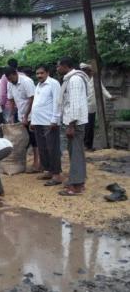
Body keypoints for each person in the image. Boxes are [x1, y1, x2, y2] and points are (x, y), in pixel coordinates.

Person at [57, 56, 89, 196]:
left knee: (76, 154)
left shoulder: (74, 80)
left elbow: (75, 104)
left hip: (75, 123)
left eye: (59, 66)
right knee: (75, 153)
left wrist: (71, 125)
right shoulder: (71, 79)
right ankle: (78, 181)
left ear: (66, 66)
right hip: (73, 122)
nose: (57, 69)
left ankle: (76, 186)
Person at [30, 65, 63, 186]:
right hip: (38, 121)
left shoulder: (53, 83)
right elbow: (36, 103)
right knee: (42, 148)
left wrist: (55, 119)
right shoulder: (38, 85)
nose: (39, 75)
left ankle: (57, 175)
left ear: (47, 73)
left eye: (41, 73)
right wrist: (33, 120)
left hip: (49, 122)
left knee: (52, 148)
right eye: (37, 73)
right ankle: (48, 171)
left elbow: (57, 102)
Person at [6, 66, 40, 172]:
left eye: (11, 78)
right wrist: (11, 116)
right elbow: (11, 100)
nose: (10, 80)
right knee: (25, 140)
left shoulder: (27, 81)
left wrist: (26, 116)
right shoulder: (10, 83)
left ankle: (37, 163)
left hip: (32, 115)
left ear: (15, 73)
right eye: (8, 79)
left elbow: (32, 99)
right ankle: (25, 162)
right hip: (21, 116)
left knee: (35, 140)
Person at [79, 62, 113, 151]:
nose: (89, 72)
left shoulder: (95, 79)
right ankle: (85, 145)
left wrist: (110, 97)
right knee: (85, 126)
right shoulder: (80, 79)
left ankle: (88, 145)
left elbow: (102, 89)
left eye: (89, 70)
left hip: (92, 106)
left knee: (90, 126)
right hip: (83, 105)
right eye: (87, 70)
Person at [0, 58, 21, 123]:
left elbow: (3, 93)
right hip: (21, 106)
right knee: (21, 126)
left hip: (9, 105)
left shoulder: (4, 76)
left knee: (11, 127)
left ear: (8, 66)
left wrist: (2, 104)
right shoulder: (23, 75)